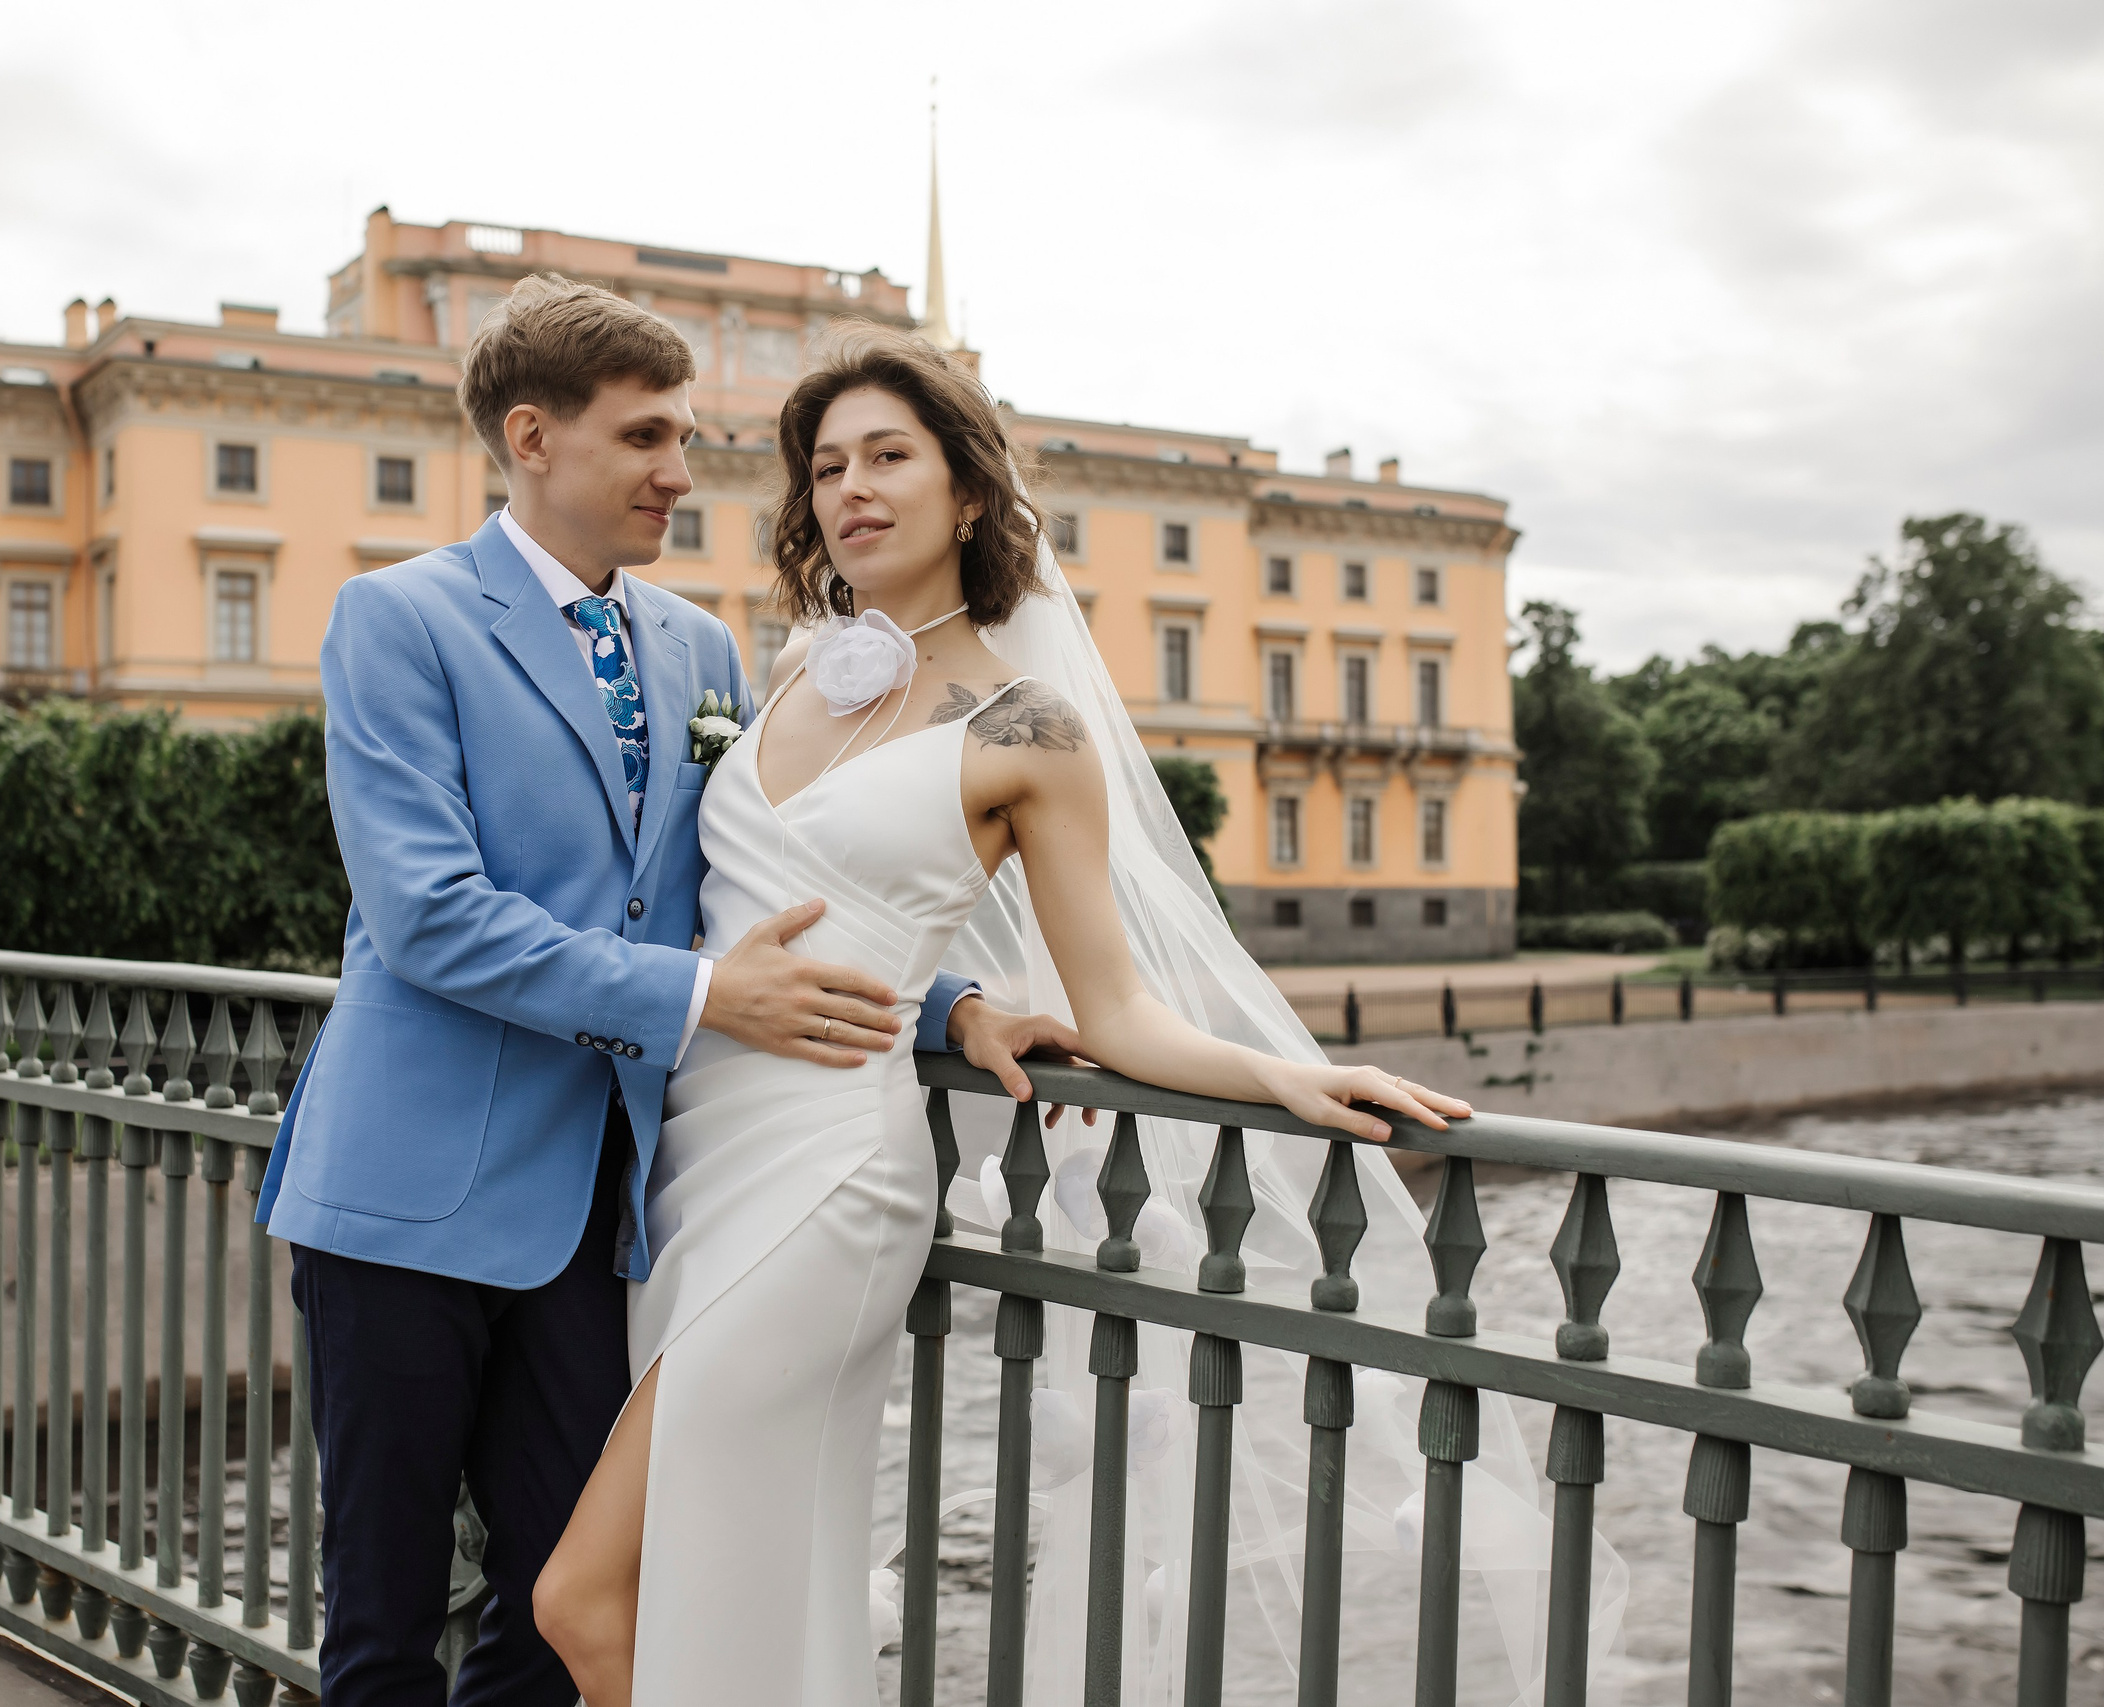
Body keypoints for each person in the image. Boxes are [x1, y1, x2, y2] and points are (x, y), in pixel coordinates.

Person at [530, 328, 1588, 1706]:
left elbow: (1123, 1006)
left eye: (889, 456)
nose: (850, 486)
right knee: (735, 1587)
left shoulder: (1027, 729)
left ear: (968, 493)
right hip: (694, 1162)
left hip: (827, 1179)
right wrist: (956, 1007)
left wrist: (1292, 1079)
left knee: (585, 1598)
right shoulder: (793, 675)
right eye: (827, 464)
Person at [253, 277, 1066, 1706]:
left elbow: (757, 878)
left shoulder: (697, 649)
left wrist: (945, 1006)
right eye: (644, 439)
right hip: (406, 1193)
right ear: (532, 439)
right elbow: (430, 918)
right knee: (381, 1624)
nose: (681, 474)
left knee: (559, 1607)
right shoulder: (397, 620)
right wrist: (699, 1002)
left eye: (685, 437)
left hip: (603, 1210)